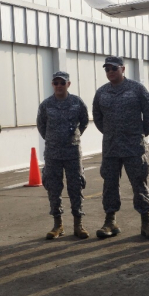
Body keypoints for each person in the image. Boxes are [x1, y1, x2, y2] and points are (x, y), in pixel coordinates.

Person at [92, 56, 149, 240]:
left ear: (123, 69)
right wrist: (110, 133)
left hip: (133, 147)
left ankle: (146, 222)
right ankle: (110, 221)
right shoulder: (101, 92)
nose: (110, 72)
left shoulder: (137, 89)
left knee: (139, 183)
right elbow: (97, 117)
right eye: (107, 69)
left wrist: (140, 133)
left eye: (114, 68)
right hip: (111, 147)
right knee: (110, 184)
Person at [36, 71, 90, 239]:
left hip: (72, 152)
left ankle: (78, 224)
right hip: (52, 153)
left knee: (75, 187)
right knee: (53, 188)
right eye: (56, 83)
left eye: (62, 83)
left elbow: (84, 121)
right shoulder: (46, 104)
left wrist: (73, 136)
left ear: (68, 84)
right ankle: (57, 224)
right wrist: (53, 139)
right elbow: (41, 125)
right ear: (53, 84)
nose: (59, 86)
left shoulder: (77, 102)